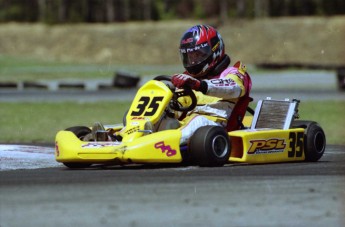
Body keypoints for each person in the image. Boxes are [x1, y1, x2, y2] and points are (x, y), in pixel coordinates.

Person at [170, 24, 252, 145]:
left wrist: (200, 85)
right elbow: (178, 109)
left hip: (216, 127)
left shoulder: (233, 73)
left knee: (198, 121)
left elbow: (233, 88)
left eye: (197, 55)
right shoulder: (190, 79)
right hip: (187, 125)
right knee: (163, 121)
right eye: (190, 56)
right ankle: (137, 142)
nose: (193, 61)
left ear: (214, 50)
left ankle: (167, 146)